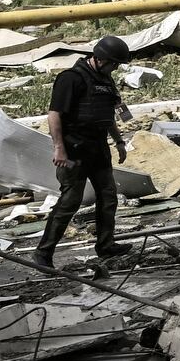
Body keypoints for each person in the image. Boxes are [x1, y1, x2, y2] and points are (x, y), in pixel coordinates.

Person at [34, 36, 134, 270]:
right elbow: (54, 115)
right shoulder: (71, 79)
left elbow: (107, 114)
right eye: (113, 63)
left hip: (98, 149)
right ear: (98, 59)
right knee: (70, 200)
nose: (116, 68)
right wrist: (58, 148)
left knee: (108, 196)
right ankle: (43, 254)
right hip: (74, 151)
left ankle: (106, 245)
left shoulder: (106, 80)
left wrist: (119, 141)